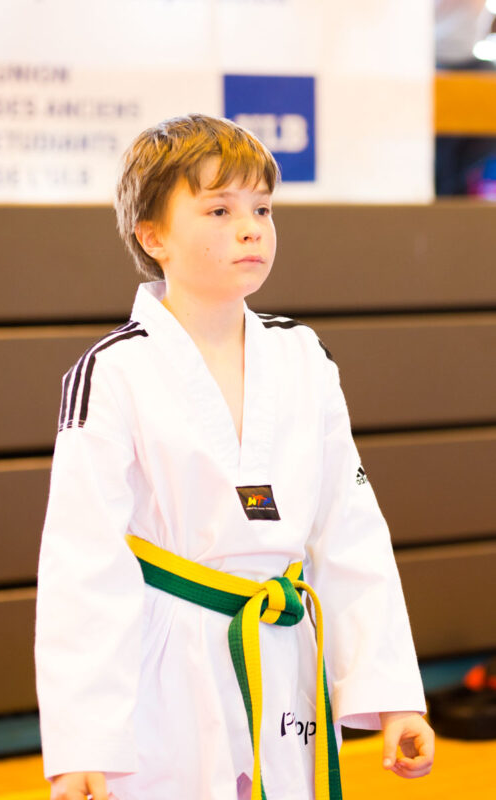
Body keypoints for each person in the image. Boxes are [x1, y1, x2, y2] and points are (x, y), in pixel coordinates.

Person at [35, 114, 434, 800]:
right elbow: (83, 564)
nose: (250, 228)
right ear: (153, 236)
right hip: (167, 658)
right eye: (219, 210)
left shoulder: (303, 356)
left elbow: (349, 530)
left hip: (282, 643)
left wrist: (393, 694)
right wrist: (84, 744)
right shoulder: (113, 371)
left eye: (262, 209)